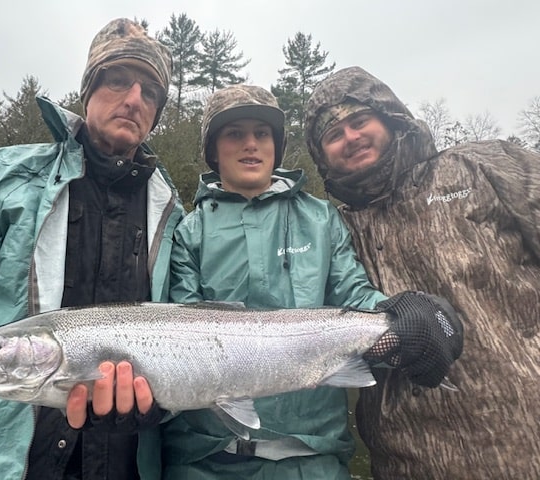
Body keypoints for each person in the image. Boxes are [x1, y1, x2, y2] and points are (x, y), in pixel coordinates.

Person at [0, 18, 184, 480]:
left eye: (150, 92)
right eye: (117, 80)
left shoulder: (174, 219)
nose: (134, 99)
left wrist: (160, 406)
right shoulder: (1, 179)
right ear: (88, 89)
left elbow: (197, 354)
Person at [162, 84, 463, 479]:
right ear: (213, 151)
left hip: (313, 461)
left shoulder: (321, 219)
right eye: (235, 134)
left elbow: (354, 294)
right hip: (206, 462)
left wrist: (407, 318)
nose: (251, 144)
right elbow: (181, 329)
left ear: (277, 146)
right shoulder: (189, 232)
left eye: (262, 133)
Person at [304, 65, 540, 479]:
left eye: (360, 121)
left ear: (390, 118)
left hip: (525, 441)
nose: (351, 138)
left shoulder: (482, 166)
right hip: (408, 462)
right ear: (322, 156)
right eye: (334, 134)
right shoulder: (330, 229)